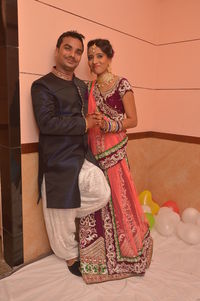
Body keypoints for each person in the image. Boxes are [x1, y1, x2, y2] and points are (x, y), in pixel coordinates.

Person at [31, 32, 111, 277]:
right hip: (56, 159)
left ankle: (60, 210)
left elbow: (86, 117)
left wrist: (94, 120)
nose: (73, 55)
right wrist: (84, 123)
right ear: (57, 50)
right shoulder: (42, 86)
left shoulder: (80, 85)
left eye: (78, 52)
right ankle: (69, 255)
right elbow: (47, 124)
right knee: (62, 207)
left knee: (101, 191)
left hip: (80, 154)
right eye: (68, 48)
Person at [79, 39, 153, 284]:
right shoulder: (90, 88)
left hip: (115, 155)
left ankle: (128, 254)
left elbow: (133, 120)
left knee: (119, 202)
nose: (94, 61)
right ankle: (98, 260)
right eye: (91, 57)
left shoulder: (122, 84)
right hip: (94, 155)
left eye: (99, 56)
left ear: (110, 58)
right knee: (96, 200)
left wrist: (110, 124)